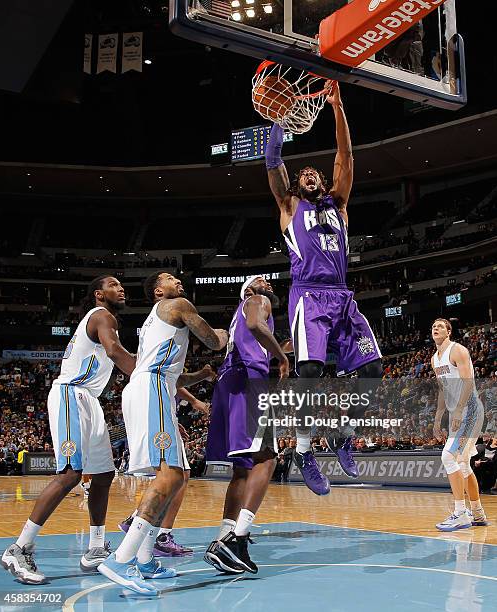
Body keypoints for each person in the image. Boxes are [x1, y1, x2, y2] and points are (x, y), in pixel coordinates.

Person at [265, 82, 382, 494]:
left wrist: (337, 107)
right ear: (297, 186)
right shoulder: (289, 207)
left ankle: (343, 432)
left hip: (343, 295)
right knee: (310, 373)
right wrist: (280, 117)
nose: (310, 174)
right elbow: (273, 159)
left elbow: (345, 156)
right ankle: (301, 450)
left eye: (315, 172)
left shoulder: (339, 205)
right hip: (309, 295)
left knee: (372, 370)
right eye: (304, 174)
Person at [98, 272, 228, 595]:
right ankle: (120, 559)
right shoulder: (176, 305)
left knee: (180, 474)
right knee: (169, 476)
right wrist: (226, 336)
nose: (178, 282)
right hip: (152, 389)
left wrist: (199, 375)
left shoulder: (156, 325)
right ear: (159, 291)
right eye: (170, 278)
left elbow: (175, 378)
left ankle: (144, 559)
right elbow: (212, 340)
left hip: (154, 388)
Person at [1, 276, 136, 584]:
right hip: (70, 395)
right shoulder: (103, 316)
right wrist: (146, 374)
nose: (122, 288)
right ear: (100, 294)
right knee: (70, 475)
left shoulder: (105, 320)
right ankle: (19, 548)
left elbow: (121, 356)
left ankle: (96, 548)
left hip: (88, 400)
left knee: (103, 475)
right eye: (114, 285)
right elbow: (116, 353)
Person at [203, 276, 289, 574]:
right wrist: (281, 358)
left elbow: (253, 334)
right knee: (267, 459)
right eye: (262, 281)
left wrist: (280, 348)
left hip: (227, 384)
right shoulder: (256, 301)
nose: (269, 284)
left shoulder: (238, 315)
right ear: (250, 291)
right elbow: (256, 325)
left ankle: (222, 538)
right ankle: (236, 539)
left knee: (242, 469)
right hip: (249, 382)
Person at [118, 368, 216, 557]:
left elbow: (172, 381)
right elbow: (175, 379)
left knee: (171, 475)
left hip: (147, 399)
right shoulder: (167, 349)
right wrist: (204, 376)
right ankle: (161, 537)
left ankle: (137, 521)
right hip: (152, 396)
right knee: (176, 475)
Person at [431, 318, 488, 531]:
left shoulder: (458, 351)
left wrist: (458, 409)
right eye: (433, 327)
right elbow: (442, 390)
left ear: (448, 331)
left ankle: (460, 513)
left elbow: (469, 382)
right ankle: (478, 513)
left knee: (448, 456)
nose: (435, 328)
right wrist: (438, 418)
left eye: (440, 326)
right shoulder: (434, 359)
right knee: (463, 464)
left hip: (470, 410)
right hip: (459, 413)